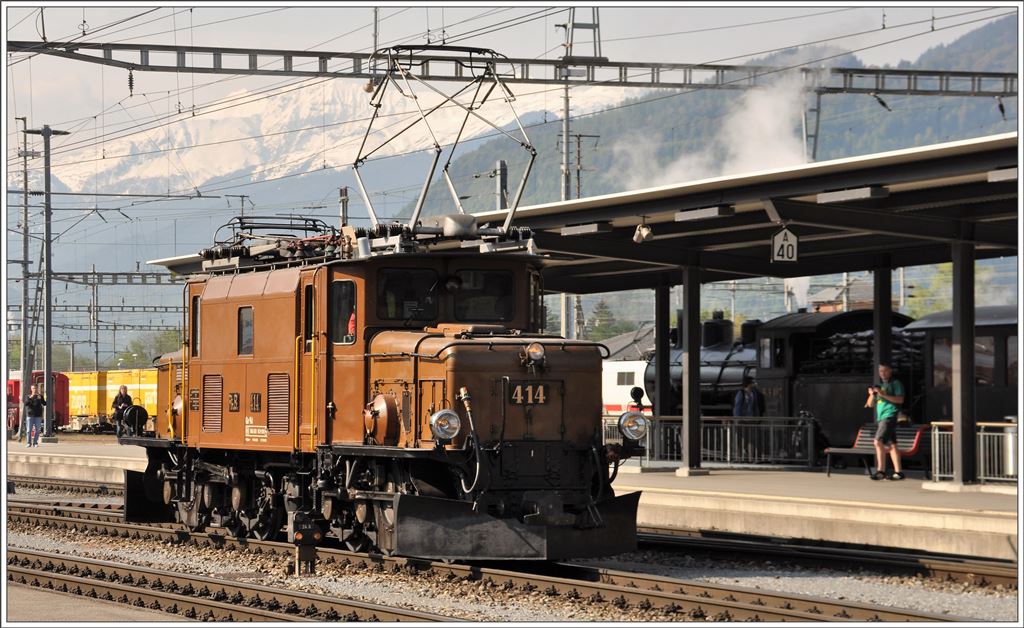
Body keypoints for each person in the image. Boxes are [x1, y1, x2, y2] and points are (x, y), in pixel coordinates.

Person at [868, 363, 905, 481]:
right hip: (881, 417)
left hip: (890, 415)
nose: (882, 373)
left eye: (885, 370)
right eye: (880, 371)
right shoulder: (879, 386)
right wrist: (872, 394)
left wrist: (883, 394)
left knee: (877, 441)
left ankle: (881, 471)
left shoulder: (895, 383)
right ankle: (899, 472)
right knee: (892, 444)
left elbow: (900, 400)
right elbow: (870, 404)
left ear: (890, 371)